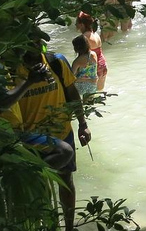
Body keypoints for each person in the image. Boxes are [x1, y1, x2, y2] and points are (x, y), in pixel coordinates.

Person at [15, 42, 92, 231]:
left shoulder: (56, 61)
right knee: (37, 188)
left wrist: (83, 124)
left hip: (62, 131)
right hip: (29, 139)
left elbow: (72, 92)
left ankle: (68, 227)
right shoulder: (12, 69)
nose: (33, 50)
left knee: (66, 181)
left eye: (36, 44)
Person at [74, 12, 107, 92]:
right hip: (102, 64)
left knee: (89, 96)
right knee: (100, 92)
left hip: (92, 67)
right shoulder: (95, 34)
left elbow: (82, 59)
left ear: (82, 24)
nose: (75, 24)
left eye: (77, 22)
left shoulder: (84, 38)